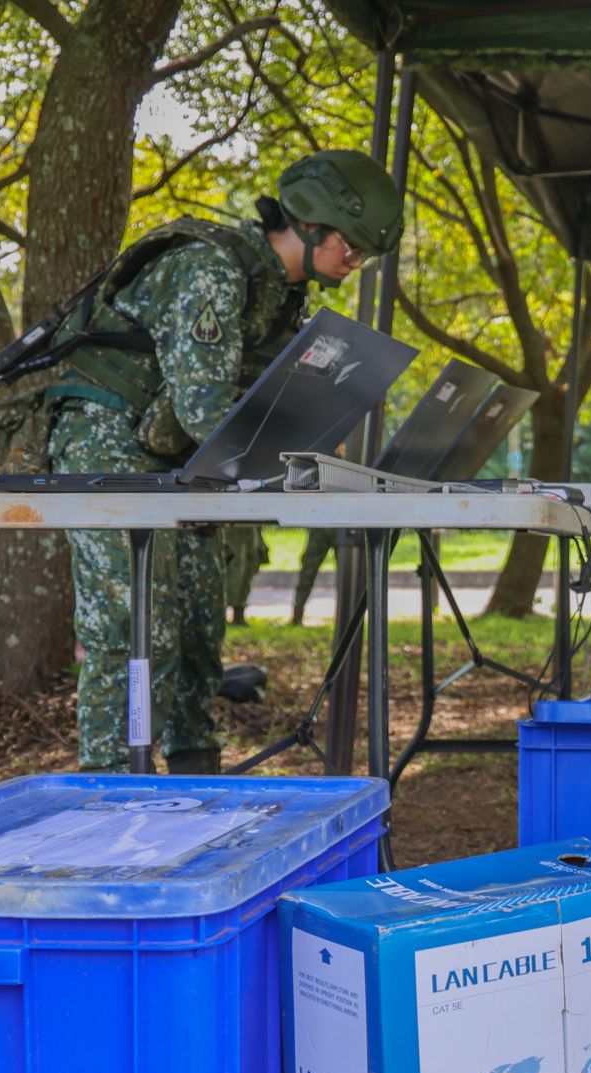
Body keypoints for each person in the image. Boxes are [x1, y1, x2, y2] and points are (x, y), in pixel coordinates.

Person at [46, 150, 402, 773]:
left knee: (196, 634)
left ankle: (194, 784)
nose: (356, 263)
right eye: (352, 248)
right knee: (136, 633)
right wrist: (292, 464)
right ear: (312, 227)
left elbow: (242, 413)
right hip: (106, 441)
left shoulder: (280, 294)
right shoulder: (210, 267)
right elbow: (206, 411)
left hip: (179, 456)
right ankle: (110, 792)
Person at [221, 525, 268, 625]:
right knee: (234, 571)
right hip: (233, 525)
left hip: (251, 525)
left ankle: (239, 614)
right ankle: (222, 614)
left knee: (249, 569)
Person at [290, 527, 337, 627]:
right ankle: (297, 615)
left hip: (342, 527)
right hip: (322, 525)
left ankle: (345, 617)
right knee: (308, 570)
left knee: (347, 574)